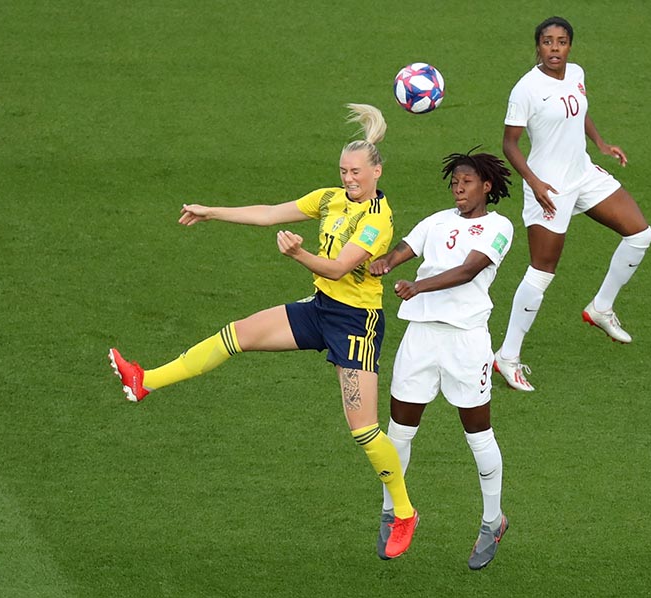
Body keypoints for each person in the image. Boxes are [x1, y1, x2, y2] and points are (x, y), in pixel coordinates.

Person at [107, 104, 419, 559]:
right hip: (321, 308)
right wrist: (212, 211)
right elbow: (270, 213)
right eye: (343, 170)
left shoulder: (378, 220)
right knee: (237, 334)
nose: (348, 178)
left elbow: (337, 268)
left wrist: (298, 256)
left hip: (356, 324)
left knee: (364, 430)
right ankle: (145, 381)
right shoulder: (329, 198)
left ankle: (405, 513)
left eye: (355, 172)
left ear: (376, 171)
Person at [369, 149, 513, 569]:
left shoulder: (499, 227)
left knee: (477, 433)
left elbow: (469, 270)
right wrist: (385, 262)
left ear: (486, 186)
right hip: (420, 336)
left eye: (466, 182)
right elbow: (405, 248)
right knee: (398, 432)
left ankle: (493, 520)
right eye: (454, 183)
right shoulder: (436, 221)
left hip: (466, 342)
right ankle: (395, 512)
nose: (458, 189)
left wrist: (419, 287)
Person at [493, 16, 651, 391]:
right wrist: (534, 183)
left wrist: (600, 143)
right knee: (542, 271)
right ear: (538, 46)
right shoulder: (526, 89)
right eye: (547, 41)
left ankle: (601, 308)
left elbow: (578, 111)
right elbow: (509, 144)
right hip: (549, 186)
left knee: (640, 234)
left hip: (582, 174)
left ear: (569, 46)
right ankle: (507, 356)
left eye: (561, 41)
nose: (554, 48)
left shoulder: (577, 73)